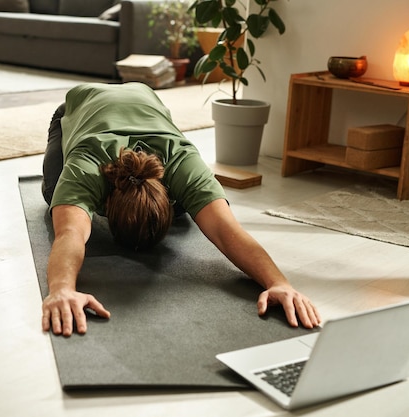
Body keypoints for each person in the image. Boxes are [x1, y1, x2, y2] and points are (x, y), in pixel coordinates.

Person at [41, 82, 321, 337]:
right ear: (106, 200)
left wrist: (280, 283)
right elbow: (70, 234)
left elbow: (226, 231)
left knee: (191, 208)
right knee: (54, 196)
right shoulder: (87, 164)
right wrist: (62, 290)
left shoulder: (182, 161)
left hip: (149, 102)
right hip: (78, 106)